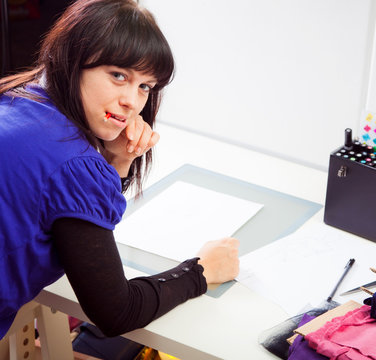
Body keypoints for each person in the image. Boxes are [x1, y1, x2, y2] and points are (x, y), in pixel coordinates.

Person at [0, 0, 239, 339]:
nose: (132, 101)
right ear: (73, 60)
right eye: (118, 76)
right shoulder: (73, 164)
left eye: (145, 86)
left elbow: (66, 219)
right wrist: (200, 271)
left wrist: (118, 161)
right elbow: (116, 311)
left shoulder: (15, 98)